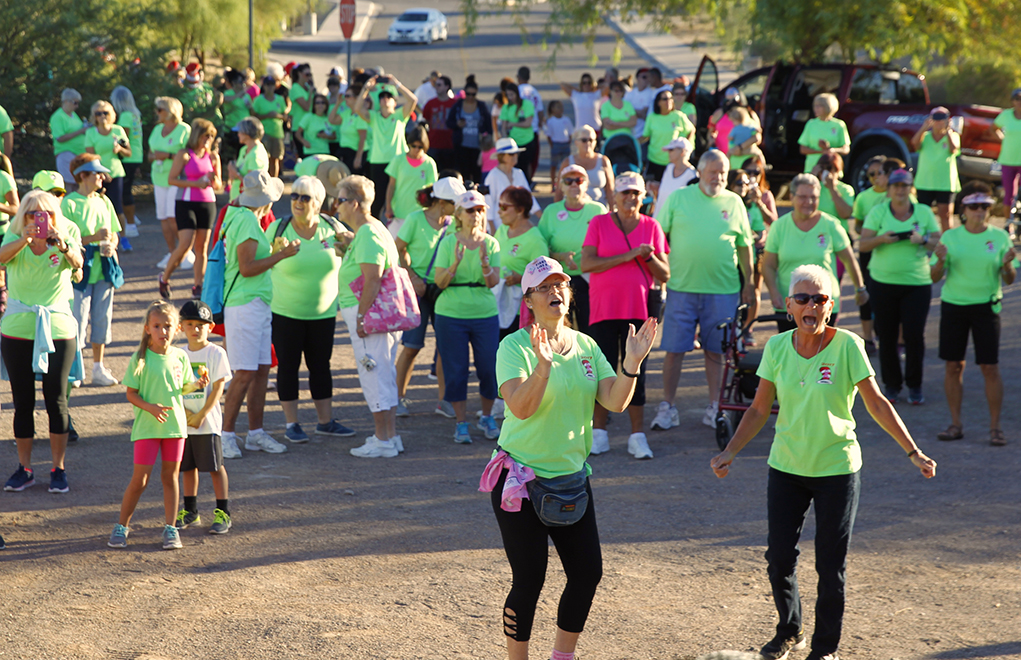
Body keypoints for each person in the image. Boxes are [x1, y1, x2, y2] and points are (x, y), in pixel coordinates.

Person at [710, 264, 937, 660]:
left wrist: (912, 451)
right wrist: (730, 450)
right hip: (786, 467)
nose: (810, 305)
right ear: (790, 307)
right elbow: (759, 408)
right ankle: (789, 631)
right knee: (779, 557)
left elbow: (877, 403)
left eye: (819, 299)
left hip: (837, 469)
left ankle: (824, 649)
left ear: (830, 306)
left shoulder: (848, 345)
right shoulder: (778, 348)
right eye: (802, 299)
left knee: (830, 567)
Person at [481, 256, 657, 660]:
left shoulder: (587, 345)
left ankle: (563, 657)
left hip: (571, 480)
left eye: (560, 284)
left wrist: (631, 363)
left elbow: (613, 401)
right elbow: (521, 408)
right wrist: (542, 368)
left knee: (587, 574)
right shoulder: (513, 346)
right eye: (544, 287)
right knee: (529, 579)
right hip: (521, 482)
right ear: (528, 301)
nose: (555, 291)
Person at [652, 151, 754, 431]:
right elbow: (657, 236)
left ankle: (714, 406)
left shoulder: (734, 202)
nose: (718, 178)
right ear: (699, 172)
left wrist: (750, 283)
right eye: (713, 172)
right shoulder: (678, 198)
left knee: (716, 352)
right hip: (681, 288)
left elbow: (745, 246)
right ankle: (668, 406)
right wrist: (659, 274)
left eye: (723, 173)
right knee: (673, 350)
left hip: (723, 290)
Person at [108, 300, 210, 550]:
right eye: (157, 326)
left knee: (170, 477)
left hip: (175, 428)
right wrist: (150, 408)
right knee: (140, 480)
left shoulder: (181, 357)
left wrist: (197, 385)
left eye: (167, 326)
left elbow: (182, 388)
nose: (162, 331)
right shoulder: (139, 359)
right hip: (147, 428)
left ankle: (170, 528)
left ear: (176, 329)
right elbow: (131, 394)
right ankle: (122, 526)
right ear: (147, 329)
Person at [1, 190, 84, 495]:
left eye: (46, 213)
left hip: (58, 328)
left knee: (56, 400)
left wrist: (62, 245)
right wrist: (24, 239)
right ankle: (24, 468)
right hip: (18, 327)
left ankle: (58, 468)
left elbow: (78, 265)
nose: (40, 219)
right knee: (22, 401)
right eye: (33, 213)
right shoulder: (14, 232)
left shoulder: (68, 231)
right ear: (23, 214)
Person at [581, 173, 669, 458]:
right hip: (604, 309)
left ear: (644, 196)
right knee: (602, 369)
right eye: (624, 193)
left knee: (636, 372)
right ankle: (599, 433)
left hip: (639, 309)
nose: (630, 198)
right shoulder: (599, 223)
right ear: (614, 197)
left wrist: (647, 257)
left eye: (635, 193)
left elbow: (665, 273)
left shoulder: (652, 225)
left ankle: (637, 436)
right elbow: (587, 263)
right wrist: (630, 254)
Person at [265, 175, 354, 442]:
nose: (298, 202)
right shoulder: (278, 229)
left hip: (324, 313)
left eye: (305, 197)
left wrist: (351, 243)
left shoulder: (332, 226)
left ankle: (325, 422)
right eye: (294, 196)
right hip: (285, 312)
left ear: (318, 202)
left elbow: (353, 258)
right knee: (288, 367)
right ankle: (292, 424)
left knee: (321, 367)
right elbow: (259, 263)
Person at [930, 182, 1017, 446]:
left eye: (985, 206)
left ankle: (995, 427)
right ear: (964, 210)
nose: (979, 211)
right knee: (953, 365)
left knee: (989, 367)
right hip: (954, 306)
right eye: (974, 206)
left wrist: (1007, 266)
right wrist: (941, 260)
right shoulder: (950, 237)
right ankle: (956, 424)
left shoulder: (1000, 237)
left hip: (986, 307)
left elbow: (1009, 279)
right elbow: (934, 277)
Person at [219, 170, 296, 458]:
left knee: (261, 369)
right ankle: (227, 435)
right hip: (246, 303)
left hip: (253, 302)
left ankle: (255, 433)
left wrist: (274, 254)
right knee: (246, 372)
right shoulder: (248, 221)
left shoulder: (236, 215)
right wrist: (281, 255)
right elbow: (247, 267)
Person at [334, 175, 406, 457]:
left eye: (340, 200)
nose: (336, 207)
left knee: (373, 373)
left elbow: (372, 279)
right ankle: (389, 436)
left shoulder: (368, 232)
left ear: (354, 202)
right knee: (384, 373)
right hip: (380, 314)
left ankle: (383, 440)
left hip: (371, 314)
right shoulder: (374, 229)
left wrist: (362, 317)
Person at [859, 169, 941, 404]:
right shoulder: (879, 211)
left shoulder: (924, 212)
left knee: (914, 336)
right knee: (887, 336)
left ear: (910, 187)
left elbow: (940, 242)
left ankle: (915, 386)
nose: (900, 190)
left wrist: (923, 240)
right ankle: (892, 385)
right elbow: (863, 244)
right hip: (883, 283)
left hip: (916, 283)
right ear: (889, 188)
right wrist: (882, 239)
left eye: (904, 185)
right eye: (896, 186)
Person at [433, 189, 502, 444]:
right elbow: (439, 282)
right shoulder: (448, 242)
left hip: (484, 313)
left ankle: (486, 416)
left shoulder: (491, 243)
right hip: (451, 314)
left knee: (488, 368)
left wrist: (484, 263)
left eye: (480, 209)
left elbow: (493, 282)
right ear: (459, 215)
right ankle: (461, 423)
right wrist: (454, 265)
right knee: (456, 369)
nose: (476, 214)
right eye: (471, 210)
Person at [763, 173, 868, 336]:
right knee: (792, 356)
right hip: (790, 304)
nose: (809, 202)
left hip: (823, 303)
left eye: (813, 197)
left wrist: (860, 288)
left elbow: (849, 259)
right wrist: (773, 292)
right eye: (803, 197)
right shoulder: (779, 227)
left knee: (822, 356)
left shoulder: (831, 224)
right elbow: (768, 265)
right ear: (791, 197)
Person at [395, 177, 466, 418]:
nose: (458, 209)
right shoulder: (415, 219)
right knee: (412, 346)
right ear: (442, 202)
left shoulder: (454, 222)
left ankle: (444, 401)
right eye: (455, 204)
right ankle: (397, 398)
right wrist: (413, 277)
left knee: (445, 348)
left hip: (444, 289)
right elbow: (398, 249)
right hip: (418, 291)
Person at [62, 154, 122, 387]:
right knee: (77, 319)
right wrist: (94, 239)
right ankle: (76, 368)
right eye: (97, 173)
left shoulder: (104, 201)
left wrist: (112, 244)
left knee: (102, 318)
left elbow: (114, 232)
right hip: (80, 269)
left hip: (104, 267)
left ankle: (98, 368)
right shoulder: (70, 203)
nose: (102, 177)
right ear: (83, 175)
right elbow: (67, 240)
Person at [176, 300, 233, 534]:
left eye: (201, 324)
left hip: (207, 422)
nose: (195, 329)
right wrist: (186, 413)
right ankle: (191, 511)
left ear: (210, 327)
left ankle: (223, 511)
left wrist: (201, 414)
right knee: (188, 468)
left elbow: (218, 388)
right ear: (181, 327)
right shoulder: (178, 355)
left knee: (215, 466)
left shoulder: (216, 352)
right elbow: (176, 387)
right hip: (183, 422)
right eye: (190, 324)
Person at [539, 165, 607, 334]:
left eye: (579, 180)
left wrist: (592, 255)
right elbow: (540, 248)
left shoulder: (598, 210)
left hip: (591, 279)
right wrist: (559, 256)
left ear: (586, 185)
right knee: (560, 329)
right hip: (558, 281)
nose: (574, 185)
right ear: (560, 186)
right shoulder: (551, 211)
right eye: (568, 181)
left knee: (591, 330)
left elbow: (608, 245)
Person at [161, 118, 221, 301]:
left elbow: (219, 184)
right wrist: (194, 183)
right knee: (185, 243)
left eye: (211, 136)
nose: (208, 140)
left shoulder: (213, 157)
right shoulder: (184, 154)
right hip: (186, 202)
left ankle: (198, 285)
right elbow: (171, 179)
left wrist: (212, 178)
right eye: (205, 136)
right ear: (197, 135)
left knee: (202, 246)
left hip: (207, 202)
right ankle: (164, 278)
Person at [355, 74, 418, 218]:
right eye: (382, 97)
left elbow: (413, 100)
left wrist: (397, 84)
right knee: (376, 201)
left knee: (397, 198)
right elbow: (358, 108)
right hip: (378, 163)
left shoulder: (400, 115)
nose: (385, 99)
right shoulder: (374, 117)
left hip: (397, 162)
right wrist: (366, 88)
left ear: (395, 102)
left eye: (389, 97)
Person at [495, 186, 549, 340]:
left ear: (520, 210)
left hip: (520, 313)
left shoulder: (535, 240)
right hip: (498, 304)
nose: (499, 211)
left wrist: (520, 279)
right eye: (499, 206)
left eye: (504, 207)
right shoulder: (502, 230)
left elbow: (544, 279)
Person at [150, 97, 194, 271]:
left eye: (160, 109)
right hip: (158, 178)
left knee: (173, 218)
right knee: (163, 218)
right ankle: (172, 252)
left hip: (177, 179)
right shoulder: (156, 129)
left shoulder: (185, 129)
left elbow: (188, 155)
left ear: (171, 111)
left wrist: (167, 156)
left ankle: (185, 251)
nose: (157, 113)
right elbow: (150, 155)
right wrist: (158, 156)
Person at [849, 155, 889, 350]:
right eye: (870, 174)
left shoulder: (897, 194)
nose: (875, 177)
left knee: (885, 294)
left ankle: (888, 335)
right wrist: (868, 231)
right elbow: (856, 226)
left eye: (879, 173)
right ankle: (867, 337)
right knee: (866, 290)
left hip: (890, 250)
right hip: (869, 249)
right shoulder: (863, 197)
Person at [84, 100, 131, 239]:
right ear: (94, 116)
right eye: (98, 113)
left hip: (116, 173)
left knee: (117, 207)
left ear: (111, 114)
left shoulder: (118, 130)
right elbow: (90, 156)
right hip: (97, 176)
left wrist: (120, 149)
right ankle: (100, 237)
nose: (102, 116)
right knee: (97, 206)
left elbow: (129, 152)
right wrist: (102, 173)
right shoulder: (91, 133)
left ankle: (123, 238)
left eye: (105, 113)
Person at [912, 106, 961, 232]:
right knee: (922, 215)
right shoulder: (926, 136)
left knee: (945, 215)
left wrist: (948, 129)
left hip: (945, 183)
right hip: (925, 182)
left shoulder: (953, 135)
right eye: (936, 118)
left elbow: (953, 149)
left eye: (942, 118)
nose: (939, 122)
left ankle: (946, 243)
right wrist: (924, 127)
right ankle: (923, 241)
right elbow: (915, 144)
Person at [385, 125, 438, 225]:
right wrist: (388, 207)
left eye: (420, 147)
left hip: (420, 213)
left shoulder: (429, 163)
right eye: (414, 146)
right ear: (409, 144)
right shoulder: (398, 160)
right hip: (399, 212)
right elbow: (391, 185)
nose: (416, 149)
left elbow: (432, 189)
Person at [484, 138, 541, 232]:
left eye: (516, 153)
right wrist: (493, 231)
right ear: (501, 156)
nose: (515, 156)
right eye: (511, 154)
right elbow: (488, 205)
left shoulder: (519, 173)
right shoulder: (492, 176)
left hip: (519, 226)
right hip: (499, 227)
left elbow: (529, 199)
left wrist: (542, 217)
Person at [110, 86, 143, 240]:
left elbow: (123, 139)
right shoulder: (135, 114)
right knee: (126, 190)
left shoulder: (125, 117)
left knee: (124, 191)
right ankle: (131, 219)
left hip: (128, 158)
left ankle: (130, 224)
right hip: (136, 156)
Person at [640, 90, 695, 182]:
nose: (668, 101)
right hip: (655, 160)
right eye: (665, 99)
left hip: (673, 162)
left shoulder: (678, 116)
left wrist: (685, 146)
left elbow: (691, 129)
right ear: (658, 102)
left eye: (670, 98)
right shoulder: (652, 117)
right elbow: (646, 136)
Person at [446, 75, 490, 184]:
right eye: (468, 94)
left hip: (477, 146)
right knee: (463, 173)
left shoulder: (481, 106)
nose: (470, 97)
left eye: (473, 94)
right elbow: (449, 122)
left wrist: (486, 137)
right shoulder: (458, 106)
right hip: (461, 145)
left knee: (476, 174)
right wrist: (457, 124)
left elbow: (488, 125)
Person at [554, 126, 613, 205]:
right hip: (573, 210)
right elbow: (559, 190)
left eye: (591, 140)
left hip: (599, 211)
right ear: (576, 142)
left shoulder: (603, 161)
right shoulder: (567, 162)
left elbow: (610, 190)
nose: (588, 143)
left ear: (595, 142)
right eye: (584, 140)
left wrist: (612, 213)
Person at [498, 83, 539, 187]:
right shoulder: (506, 107)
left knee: (526, 165)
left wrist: (512, 124)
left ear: (517, 93)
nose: (510, 97)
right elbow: (503, 127)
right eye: (508, 95)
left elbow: (527, 123)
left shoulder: (526, 104)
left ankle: (528, 184)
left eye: (512, 94)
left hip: (527, 140)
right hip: (513, 142)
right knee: (515, 165)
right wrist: (504, 140)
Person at [799, 93, 850, 173]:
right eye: (815, 105)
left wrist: (832, 150)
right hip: (812, 168)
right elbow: (803, 149)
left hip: (832, 169)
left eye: (819, 106)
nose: (816, 108)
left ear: (828, 107)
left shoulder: (839, 125)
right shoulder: (811, 124)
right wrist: (821, 151)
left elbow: (846, 149)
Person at [989, 87, 1021, 212]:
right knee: (1009, 195)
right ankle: (1009, 224)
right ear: (1012, 101)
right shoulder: (1006, 115)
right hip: (1008, 159)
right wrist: (1003, 139)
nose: (1019, 101)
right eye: (1017, 99)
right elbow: (993, 128)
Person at [252, 76, 290, 177]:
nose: (270, 87)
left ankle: (274, 181)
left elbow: (286, 116)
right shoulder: (258, 100)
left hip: (278, 133)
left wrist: (278, 116)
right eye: (267, 85)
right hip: (264, 133)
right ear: (263, 86)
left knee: (275, 159)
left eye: (272, 85)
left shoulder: (280, 99)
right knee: (265, 159)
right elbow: (254, 116)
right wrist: (267, 116)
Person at [50, 89, 89, 187]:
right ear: (66, 101)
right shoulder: (58, 117)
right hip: (66, 155)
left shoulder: (73, 115)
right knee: (70, 186)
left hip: (78, 156)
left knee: (79, 185)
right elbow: (59, 138)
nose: (77, 106)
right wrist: (81, 131)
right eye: (75, 103)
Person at [328, 83, 369, 174]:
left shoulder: (360, 115)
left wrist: (358, 158)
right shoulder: (346, 113)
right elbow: (332, 120)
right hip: (344, 151)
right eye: (345, 96)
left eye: (348, 96)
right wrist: (337, 104)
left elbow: (362, 138)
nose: (345, 98)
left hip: (355, 153)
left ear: (356, 98)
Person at [227, 117, 269, 202]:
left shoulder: (256, 155)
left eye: (240, 132)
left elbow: (253, 185)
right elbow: (234, 177)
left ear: (247, 133)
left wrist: (236, 173)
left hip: (247, 203)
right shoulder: (244, 150)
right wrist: (232, 171)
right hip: (236, 200)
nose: (238, 134)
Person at [422, 75, 457, 171]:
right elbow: (427, 120)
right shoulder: (430, 104)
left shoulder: (454, 104)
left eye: (439, 85)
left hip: (450, 146)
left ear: (447, 87)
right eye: (436, 85)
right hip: (433, 145)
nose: (436, 87)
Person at [516, 66, 545, 178]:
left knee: (518, 159)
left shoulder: (517, 92)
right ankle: (528, 180)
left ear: (518, 77)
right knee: (530, 160)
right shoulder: (534, 92)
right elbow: (540, 111)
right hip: (533, 130)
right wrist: (539, 124)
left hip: (519, 130)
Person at [650, 138, 696, 209]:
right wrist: (656, 186)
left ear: (682, 152)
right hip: (658, 217)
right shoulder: (669, 168)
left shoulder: (693, 175)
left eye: (671, 150)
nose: (668, 153)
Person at [543, 101, 574, 189]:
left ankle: (566, 183)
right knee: (554, 165)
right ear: (552, 109)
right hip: (556, 145)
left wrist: (568, 141)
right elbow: (548, 135)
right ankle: (553, 184)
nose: (561, 109)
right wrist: (552, 145)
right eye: (558, 107)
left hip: (565, 144)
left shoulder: (566, 119)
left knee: (566, 166)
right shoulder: (550, 121)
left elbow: (570, 132)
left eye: (561, 107)